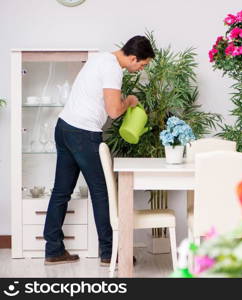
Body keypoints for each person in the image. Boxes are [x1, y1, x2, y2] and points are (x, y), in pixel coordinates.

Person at [43, 36, 155, 265]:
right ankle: (109, 253)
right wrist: (130, 101)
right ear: (133, 58)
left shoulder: (100, 58)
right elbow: (114, 111)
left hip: (64, 127)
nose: (139, 70)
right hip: (83, 134)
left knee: (61, 192)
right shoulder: (114, 69)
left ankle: (53, 249)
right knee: (102, 191)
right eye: (141, 65)